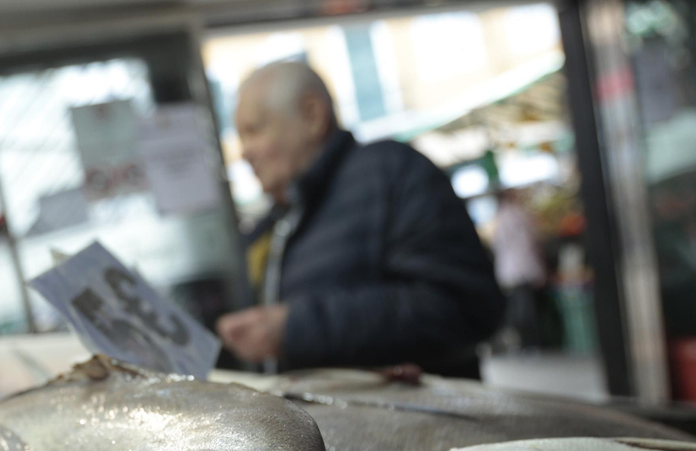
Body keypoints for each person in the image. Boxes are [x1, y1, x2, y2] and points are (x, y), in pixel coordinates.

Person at [215, 61, 504, 377]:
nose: (244, 153)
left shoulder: (394, 174)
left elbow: (463, 306)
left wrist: (296, 329)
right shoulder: (277, 222)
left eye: (254, 131)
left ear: (312, 115)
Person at [492, 187, 548, 350]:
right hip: (521, 270)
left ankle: (522, 344)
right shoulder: (517, 215)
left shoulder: (500, 217)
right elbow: (530, 242)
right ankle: (530, 344)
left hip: (510, 271)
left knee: (517, 308)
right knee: (525, 310)